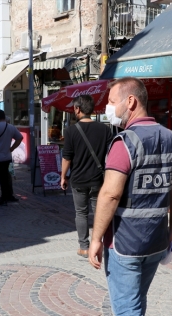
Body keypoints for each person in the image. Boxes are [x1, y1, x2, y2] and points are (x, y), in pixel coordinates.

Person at [88, 77, 172, 316]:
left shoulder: (124, 143)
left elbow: (110, 195)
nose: (108, 108)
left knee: (126, 309)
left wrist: (95, 238)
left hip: (126, 242)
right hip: (157, 239)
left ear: (130, 102)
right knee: (136, 297)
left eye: (112, 101)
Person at [61, 95, 113, 258]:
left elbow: (67, 157)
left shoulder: (70, 131)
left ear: (77, 109)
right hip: (98, 179)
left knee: (81, 213)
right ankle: (103, 244)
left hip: (78, 180)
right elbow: (111, 154)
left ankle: (84, 247)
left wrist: (63, 176)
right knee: (100, 212)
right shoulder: (105, 129)